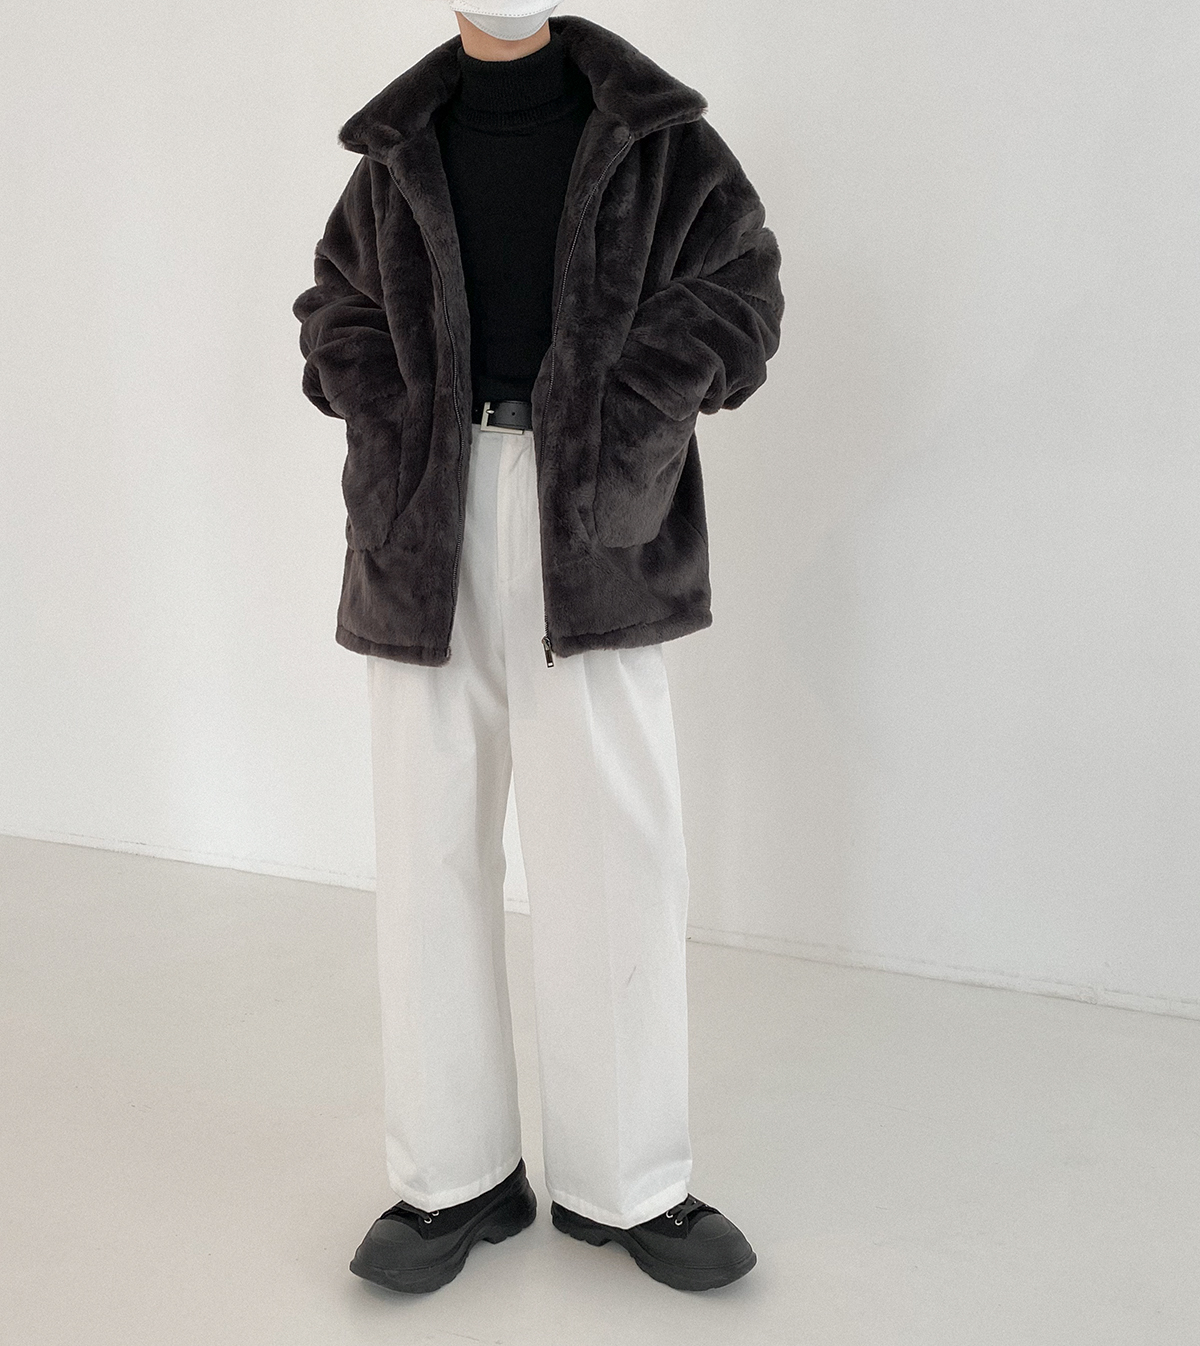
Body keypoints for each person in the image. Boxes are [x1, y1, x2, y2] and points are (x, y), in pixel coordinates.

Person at [292, 0, 784, 1294]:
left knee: (615, 845)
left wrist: (632, 414)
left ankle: (632, 1182)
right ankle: (452, 1175)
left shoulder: (659, 137)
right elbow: (335, 304)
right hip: (423, 518)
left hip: (599, 522)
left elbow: (742, 290)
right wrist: (385, 412)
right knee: (427, 841)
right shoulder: (397, 147)